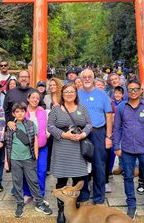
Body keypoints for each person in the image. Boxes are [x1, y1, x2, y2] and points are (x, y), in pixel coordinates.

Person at [113, 80, 144, 223]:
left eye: (136, 89)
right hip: (127, 149)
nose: (133, 92)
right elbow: (117, 128)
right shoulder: (121, 107)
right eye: (130, 89)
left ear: (140, 91)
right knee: (128, 178)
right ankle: (131, 205)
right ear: (127, 91)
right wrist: (116, 146)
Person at [47, 84, 92, 223]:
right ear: (62, 93)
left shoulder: (82, 108)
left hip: (78, 147)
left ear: (76, 93)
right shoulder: (55, 110)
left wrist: (83, 134)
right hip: (62, 147)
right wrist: (63, 135)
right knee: (61, 180)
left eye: (72, 91)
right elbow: (50, 126)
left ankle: (74, 206)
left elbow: (89, 124)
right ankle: (62, 209)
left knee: (78, 180)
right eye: (66, 92)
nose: (69, 94)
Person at [5, 102, 53, 218]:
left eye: (22, 111)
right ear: (13, 113)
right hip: (15, 159)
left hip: (28, 158)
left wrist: (35, 154)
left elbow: (35, 139)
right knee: (17, 182)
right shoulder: (10, 126)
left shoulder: (31, 124)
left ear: (25, 112)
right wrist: (7, 160)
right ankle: (20, 203)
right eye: (17, 111)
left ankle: (40, 203)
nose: (20, 113)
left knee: (33, 181)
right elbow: (7, 143)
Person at [78, 69, 113, 206]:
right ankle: (84, 194)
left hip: (98, 132)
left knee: (99, 165)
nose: (87, 79)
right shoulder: (76, 94)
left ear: (93, 78)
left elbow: (109, 116)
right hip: (82, 133)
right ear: (81, 79)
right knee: (82, 165)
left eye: (89, 77)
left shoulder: (102, 94)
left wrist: (108, 136)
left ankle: (99, 197)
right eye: (84, 77)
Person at [22, 90, 49, 203]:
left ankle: (39, 194)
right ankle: (27, 193)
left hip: (42, 147)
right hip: (26, 147)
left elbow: (49, 125)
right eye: (33, 97)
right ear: (28, 99)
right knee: (27, 171)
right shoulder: (22, 111)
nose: (35, 100)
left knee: (41, 171)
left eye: (37, 98)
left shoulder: (44, 111)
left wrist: (48, 133)